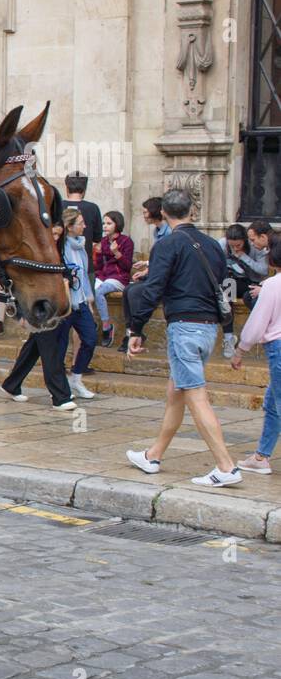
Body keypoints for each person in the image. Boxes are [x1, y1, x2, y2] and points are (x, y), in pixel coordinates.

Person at [124, 188, 241, 487]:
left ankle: (226, 466)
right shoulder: (213, 246)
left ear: (163, 213)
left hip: (184, 326)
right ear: (193, 211)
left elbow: (153, 288)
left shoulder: (167, 245)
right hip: (208, 327)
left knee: (196, 395)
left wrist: (136, 328)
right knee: (176, 393)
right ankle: (153, 455)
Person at [1, 208, 76, 412]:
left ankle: (11, 384)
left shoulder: (55, 252)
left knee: (34, 347)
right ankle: (60, 396)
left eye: (59, 234)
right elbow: (16, 284)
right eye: (53, 233)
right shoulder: (29, 252)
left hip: (53, 305)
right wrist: (20, 314)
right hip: (38, 308)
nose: (55, 237)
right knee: (50, 350)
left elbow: (64, 271)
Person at [231, 236, 281, 474]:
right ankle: (261, 456)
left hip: (278, 349)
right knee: (272, 402)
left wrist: (241, 350)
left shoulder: (272, 285)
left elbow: (257, 323)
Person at [57, 207, 98, 399]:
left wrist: (89, 299)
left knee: (90, 338)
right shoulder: (60, 248)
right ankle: (59, 386)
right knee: (60, 345)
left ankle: (76, 377)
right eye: (80, 223)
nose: (85, 226)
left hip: (80, 302)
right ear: (69, 227)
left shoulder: (81, 246)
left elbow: (84, 275)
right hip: (65, 304)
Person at [218, 224, 265, 359]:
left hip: (250, 283)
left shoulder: (255, 246)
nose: (235, 248)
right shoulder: (222, 244)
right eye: (232, 245)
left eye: (238, 245)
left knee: (228, 290)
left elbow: (263, 270)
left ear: (245, 240)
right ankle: (228, 338)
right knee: (227, 290)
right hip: (229, 283)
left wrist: (244, 257)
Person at [93, 210, 133, 347]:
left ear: (117, 224)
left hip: (119, 278)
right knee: (87, 292)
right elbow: (98, 266)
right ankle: (90, 323)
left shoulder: (126, 241)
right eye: (104, 223)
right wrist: (97, 254)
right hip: (103, 276)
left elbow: (127, 266)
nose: (105, 226)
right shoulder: (103, 242)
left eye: (109, 223)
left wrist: (117, 253)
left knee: (99, 292)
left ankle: (106, 326)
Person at [63, 171, 103, 283]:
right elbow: (97, 238)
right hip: (86, 265)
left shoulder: (57, 205)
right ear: (84, 189)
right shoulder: (93, 208)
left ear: (67, 188)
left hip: (62, 266)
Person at [130, 196, 168, 282]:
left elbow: (166, 259)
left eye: (145, 212)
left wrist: (146, 264)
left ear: (154, 212)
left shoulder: (168, 231)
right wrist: (145, 270)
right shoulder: (156, 231)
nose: (144, 216)